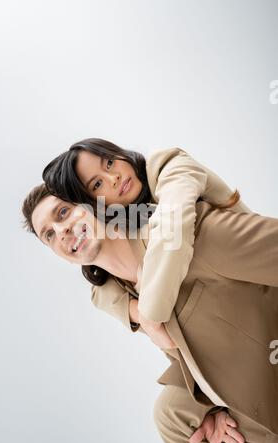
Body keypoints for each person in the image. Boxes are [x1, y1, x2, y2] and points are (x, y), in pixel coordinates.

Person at [21, 185, 278, 443]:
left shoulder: (183, 233)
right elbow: (186, 353)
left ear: (92, 202)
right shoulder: (117, 291)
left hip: (267, 363)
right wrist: (209, 407)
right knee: (171, 414)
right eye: (49, 234)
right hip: (239, 385)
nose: (60, 231)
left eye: (63, 213)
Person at [42, 139, 252, 346]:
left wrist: (149, 318)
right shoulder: (126, 229)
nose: (112, 178)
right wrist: (130, 309)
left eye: (109, 162)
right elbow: (102, 291)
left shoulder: (168, 165)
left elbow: (173, 228)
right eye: (97, 184)